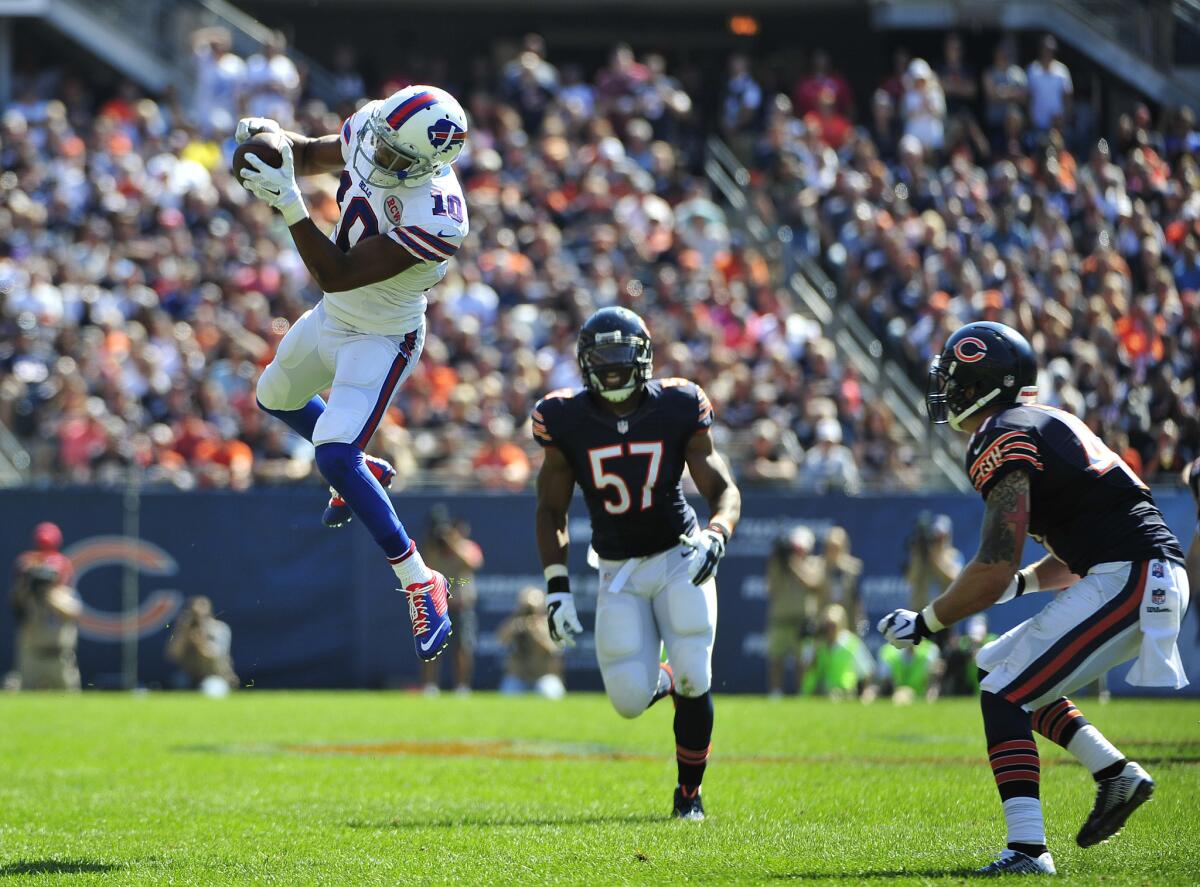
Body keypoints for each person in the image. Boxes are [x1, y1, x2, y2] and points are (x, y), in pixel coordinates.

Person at [879, 321, 1190, 875]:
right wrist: (1021, 584)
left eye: (956, 381)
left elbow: (995, 565)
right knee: (996, 665)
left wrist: (925, 622)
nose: (947, 392)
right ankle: (1113, 772)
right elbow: (1074, 548)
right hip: (1133, 570)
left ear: (983, 386)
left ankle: (1027, 849)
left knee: (1004, 694)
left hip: (1134, 575)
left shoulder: (1001, 433)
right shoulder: (1044, 421)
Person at [237, 85, 471, 663]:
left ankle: (420, 579)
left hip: (382, 334)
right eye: (383, 143)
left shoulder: (439, 216)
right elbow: (315, 153)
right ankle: (366, 469)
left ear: (430, 164)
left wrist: (289, 202)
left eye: (397, 156)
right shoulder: (376, 124)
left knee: (333, 455)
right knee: (274, 395)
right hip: (334, 318)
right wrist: (273, 140)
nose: (380, 157)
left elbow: (337, 273)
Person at [532, 307, 742, 821]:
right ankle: (665, 678)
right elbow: (550, 510)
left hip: (680, 554)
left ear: (644, 357)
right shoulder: (562, 417)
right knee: (628, 699)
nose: (611, 368)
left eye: (620, 355)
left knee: (697, 672)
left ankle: (688, 797)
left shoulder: (678, 404)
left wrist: (717, 534)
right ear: (583, 362)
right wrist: (556, 587)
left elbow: (723, 489)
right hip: (616, 568)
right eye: (600, 357)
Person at [420, 506, 484, 695]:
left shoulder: (465, 546)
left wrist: (452, 542)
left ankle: (462, 687)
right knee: (431, 647)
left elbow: (473, 563)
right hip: (437, 606)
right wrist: (436, 542)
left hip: (461, 606)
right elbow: (425, 566)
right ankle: (430, 686)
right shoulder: (431, 547)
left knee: (463, 648)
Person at [10, 523, 81, 691]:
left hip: (60, 656)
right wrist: (28, 585)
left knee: (70, 705)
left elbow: (73, 612)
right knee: (25, 704)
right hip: (32, 654)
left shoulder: (63, 595)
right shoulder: (26, 564)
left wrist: (48, 593)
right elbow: (16, 604)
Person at [764, 526, 823, 697]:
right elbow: (772, 589)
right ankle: (776, 693)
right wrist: (778, 561)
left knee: (802, 662)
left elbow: (813, 583)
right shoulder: (778, 563)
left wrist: (793, 565)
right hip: (780, 618)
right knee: (776, 658)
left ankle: (802, 693)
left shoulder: (814, 562)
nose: (797, 551)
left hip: (802, 621)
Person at [495, 587, 565, 699]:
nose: (529, 614)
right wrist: (516, 627)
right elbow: (501, 641)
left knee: (549, 693)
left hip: (543, 678)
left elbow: (555, 650)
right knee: (509, 693)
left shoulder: (550, 626)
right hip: (519, 678)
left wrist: (537, 634)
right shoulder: (515, 624)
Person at [166, 595, 238, 692]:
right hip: (190, 675)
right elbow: (172, 655)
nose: (198, 619)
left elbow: (214, 656)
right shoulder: (184, 630)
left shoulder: (219, 628)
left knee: (210, 689)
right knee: (179, 681)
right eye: (194, 615)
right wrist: (183, 632)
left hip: (215, 675)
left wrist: (200, 642)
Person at [802, 604, 875, 700]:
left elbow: (867, 671)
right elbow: (809, 670)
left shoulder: (851, 643)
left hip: (845, 691)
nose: (829, 630)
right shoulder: (819, 645)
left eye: (832, 626)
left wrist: (866, 691)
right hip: (823, 689)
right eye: (827, 626)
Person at [904, 513, 962, 612]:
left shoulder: (953, 554)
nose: (939, 540)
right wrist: (918, 555)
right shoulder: (921, 556)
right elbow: (910, 580)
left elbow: (954, 579)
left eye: (941, 537)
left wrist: (935, 558)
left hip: (943, 613)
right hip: (919, 610)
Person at [1027, 35, 1072, 132]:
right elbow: (1029, 96)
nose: (1048, 52)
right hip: (1038, 124)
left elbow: (1068, 97)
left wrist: (1065, 119)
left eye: (1050, 49)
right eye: (1045, 49)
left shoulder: (1062, 70)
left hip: (1057, 126)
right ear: (1041, 49)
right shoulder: (1032, 70)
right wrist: (1030, 118)